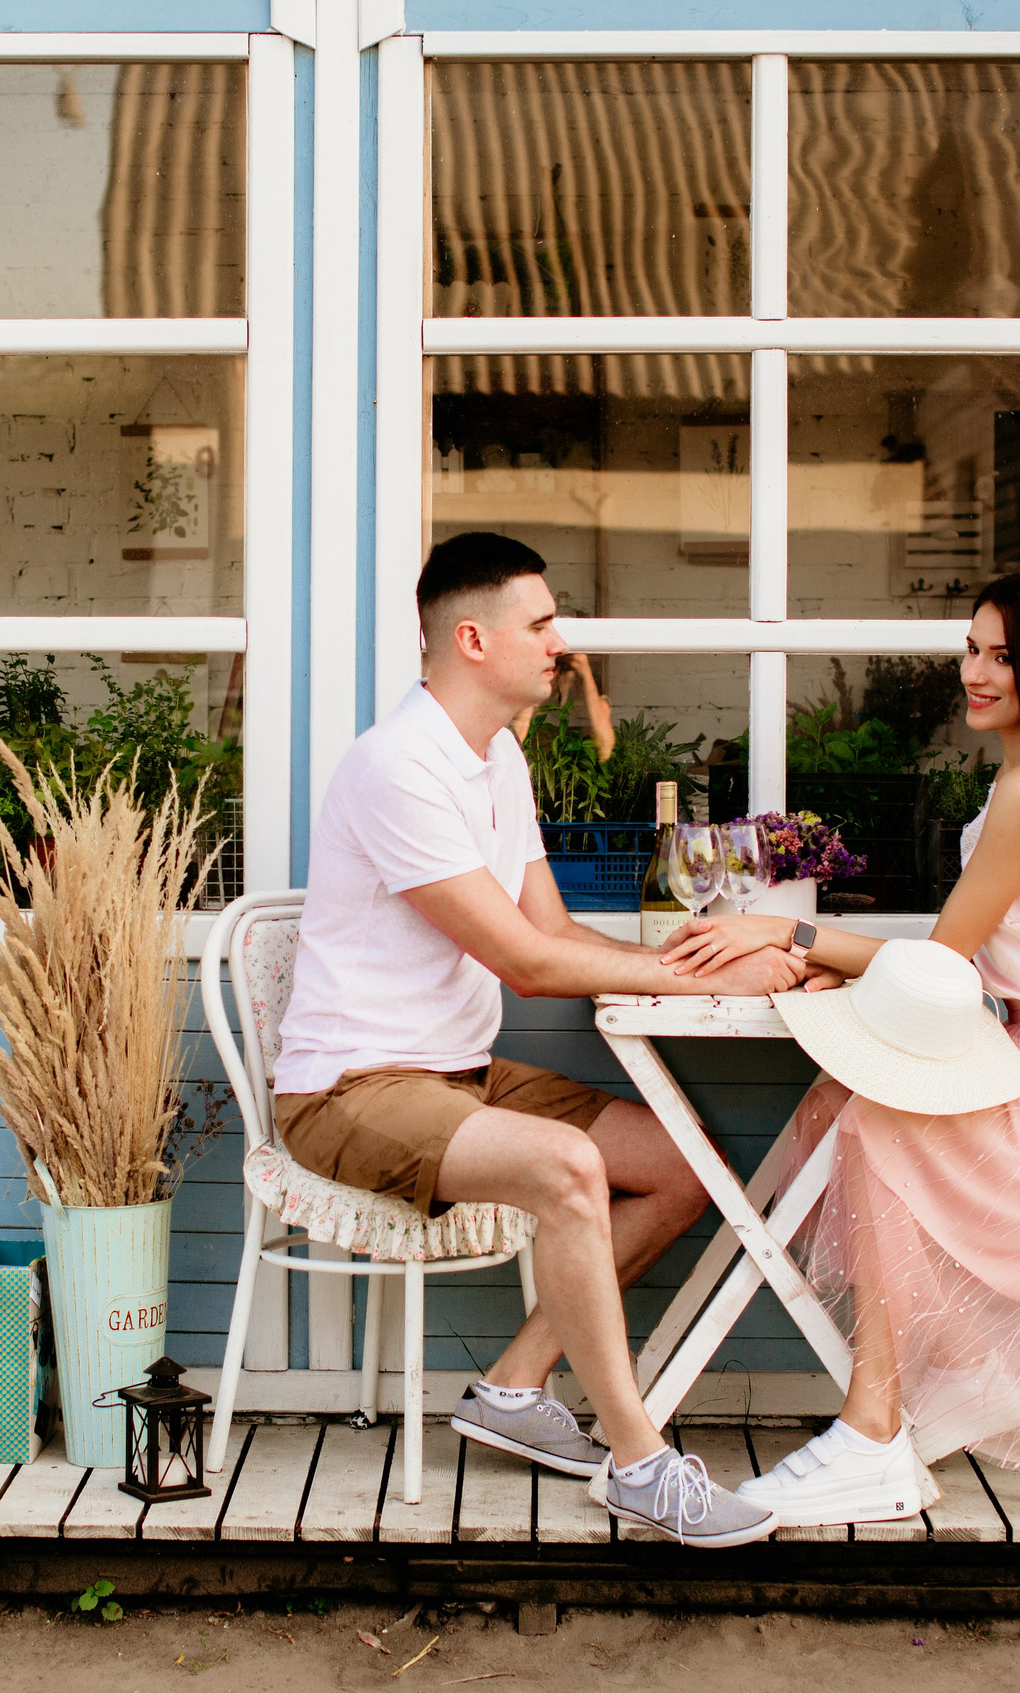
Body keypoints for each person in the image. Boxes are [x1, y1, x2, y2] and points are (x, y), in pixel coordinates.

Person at [656, 569, 1020, 1526]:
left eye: (1004, 655)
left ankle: (874, 1428)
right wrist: (830, 955)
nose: (977, 670)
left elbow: (942, 962)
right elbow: (962, 962)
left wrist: (787, 936)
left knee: (878, 1124)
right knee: (843, 1105)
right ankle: (957, 1365)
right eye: (972, 648)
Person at [273, 530, 806, 1547]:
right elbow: (525, 964)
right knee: (568, 1166)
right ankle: (641, 1465)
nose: (560, 644)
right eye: (543, 624)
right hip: (347, 1090)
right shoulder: (398, 768)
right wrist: (696, 973)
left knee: (679, 1165)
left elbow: (554, 931)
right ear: (471, 639)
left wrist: (695, 959)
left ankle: (514, 1389)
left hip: (458, 1078)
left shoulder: (495, 757)